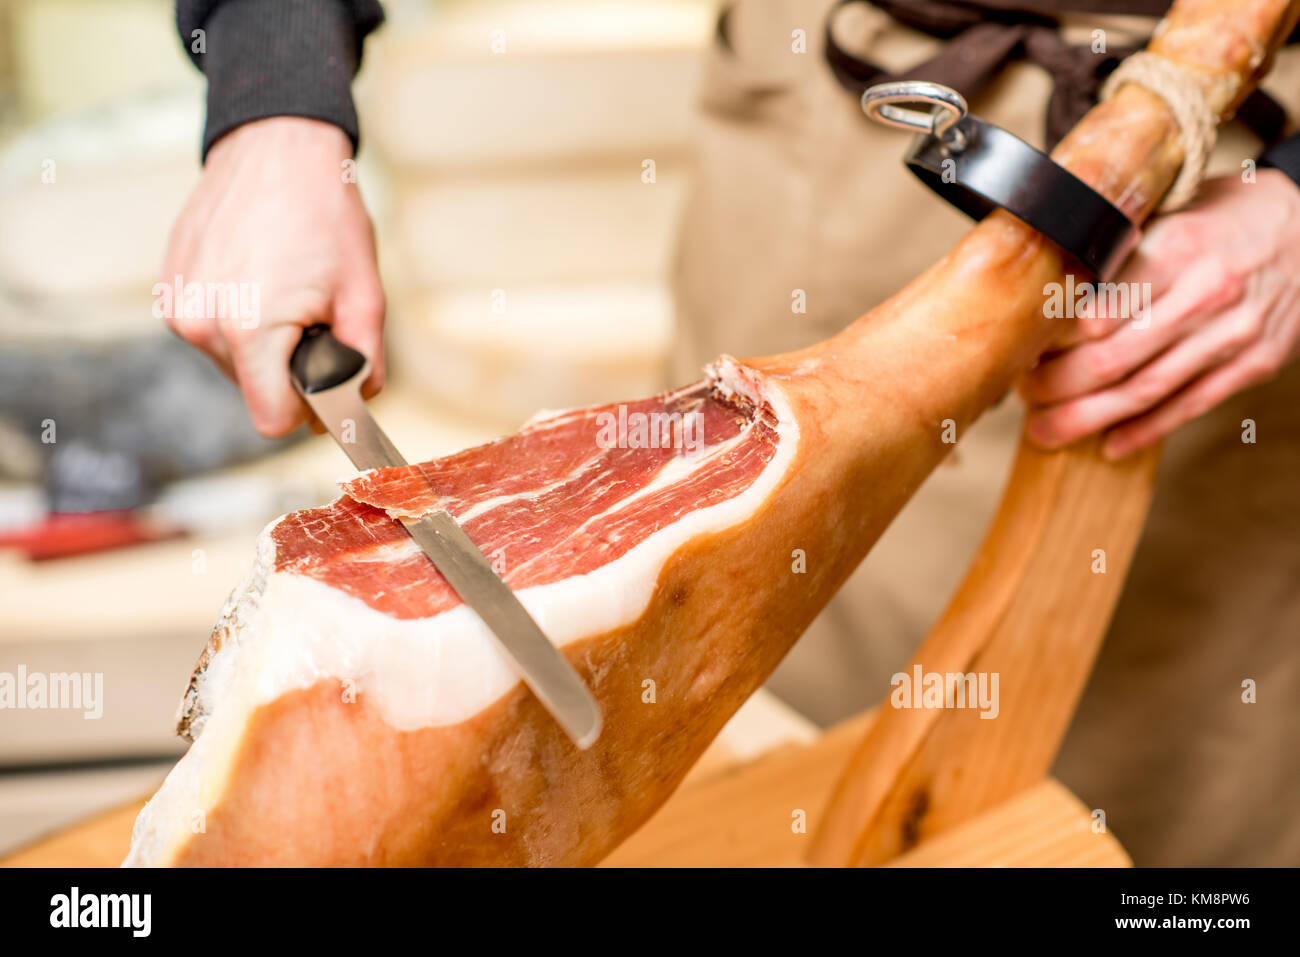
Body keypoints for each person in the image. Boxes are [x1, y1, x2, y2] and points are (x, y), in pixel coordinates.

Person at [165, 0, 1300, 865]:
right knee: (711, 745)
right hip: (847, 113)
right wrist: (275, 98)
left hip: (1238, 215)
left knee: (1156, 821)